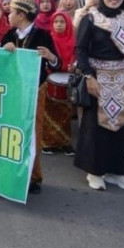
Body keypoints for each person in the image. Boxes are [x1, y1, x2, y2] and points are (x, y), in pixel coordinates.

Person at [74, 0, 124, 192]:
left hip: (121, 79)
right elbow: (81, 50)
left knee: (120, 126)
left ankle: (116, 171)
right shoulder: (91, 18)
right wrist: (88, 76)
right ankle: (94, 171)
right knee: (95, 127)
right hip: (97, 77)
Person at [2, 0, 61, 194]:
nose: (8, 16)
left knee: (33, 131)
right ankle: (11, 171)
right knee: (11, 130)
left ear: (21, 15)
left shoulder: (43, 35)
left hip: (35, 89)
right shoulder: (9, 35)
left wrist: (50, 56)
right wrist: (4, 51)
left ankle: (34, 177)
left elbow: (57, 63)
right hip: (13, 90)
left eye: (11, 12)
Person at [42, 10, 76, 156]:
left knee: (66, 114)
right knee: (50, 114)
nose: (59, 25)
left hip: (68, 78)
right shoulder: (49, 39)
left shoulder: (73, 41)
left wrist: (73, 66)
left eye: (62, 22)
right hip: (50, 78)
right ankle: (48, 143)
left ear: (68, 24)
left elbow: (76, 57)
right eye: (56, 22)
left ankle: (65, 142)